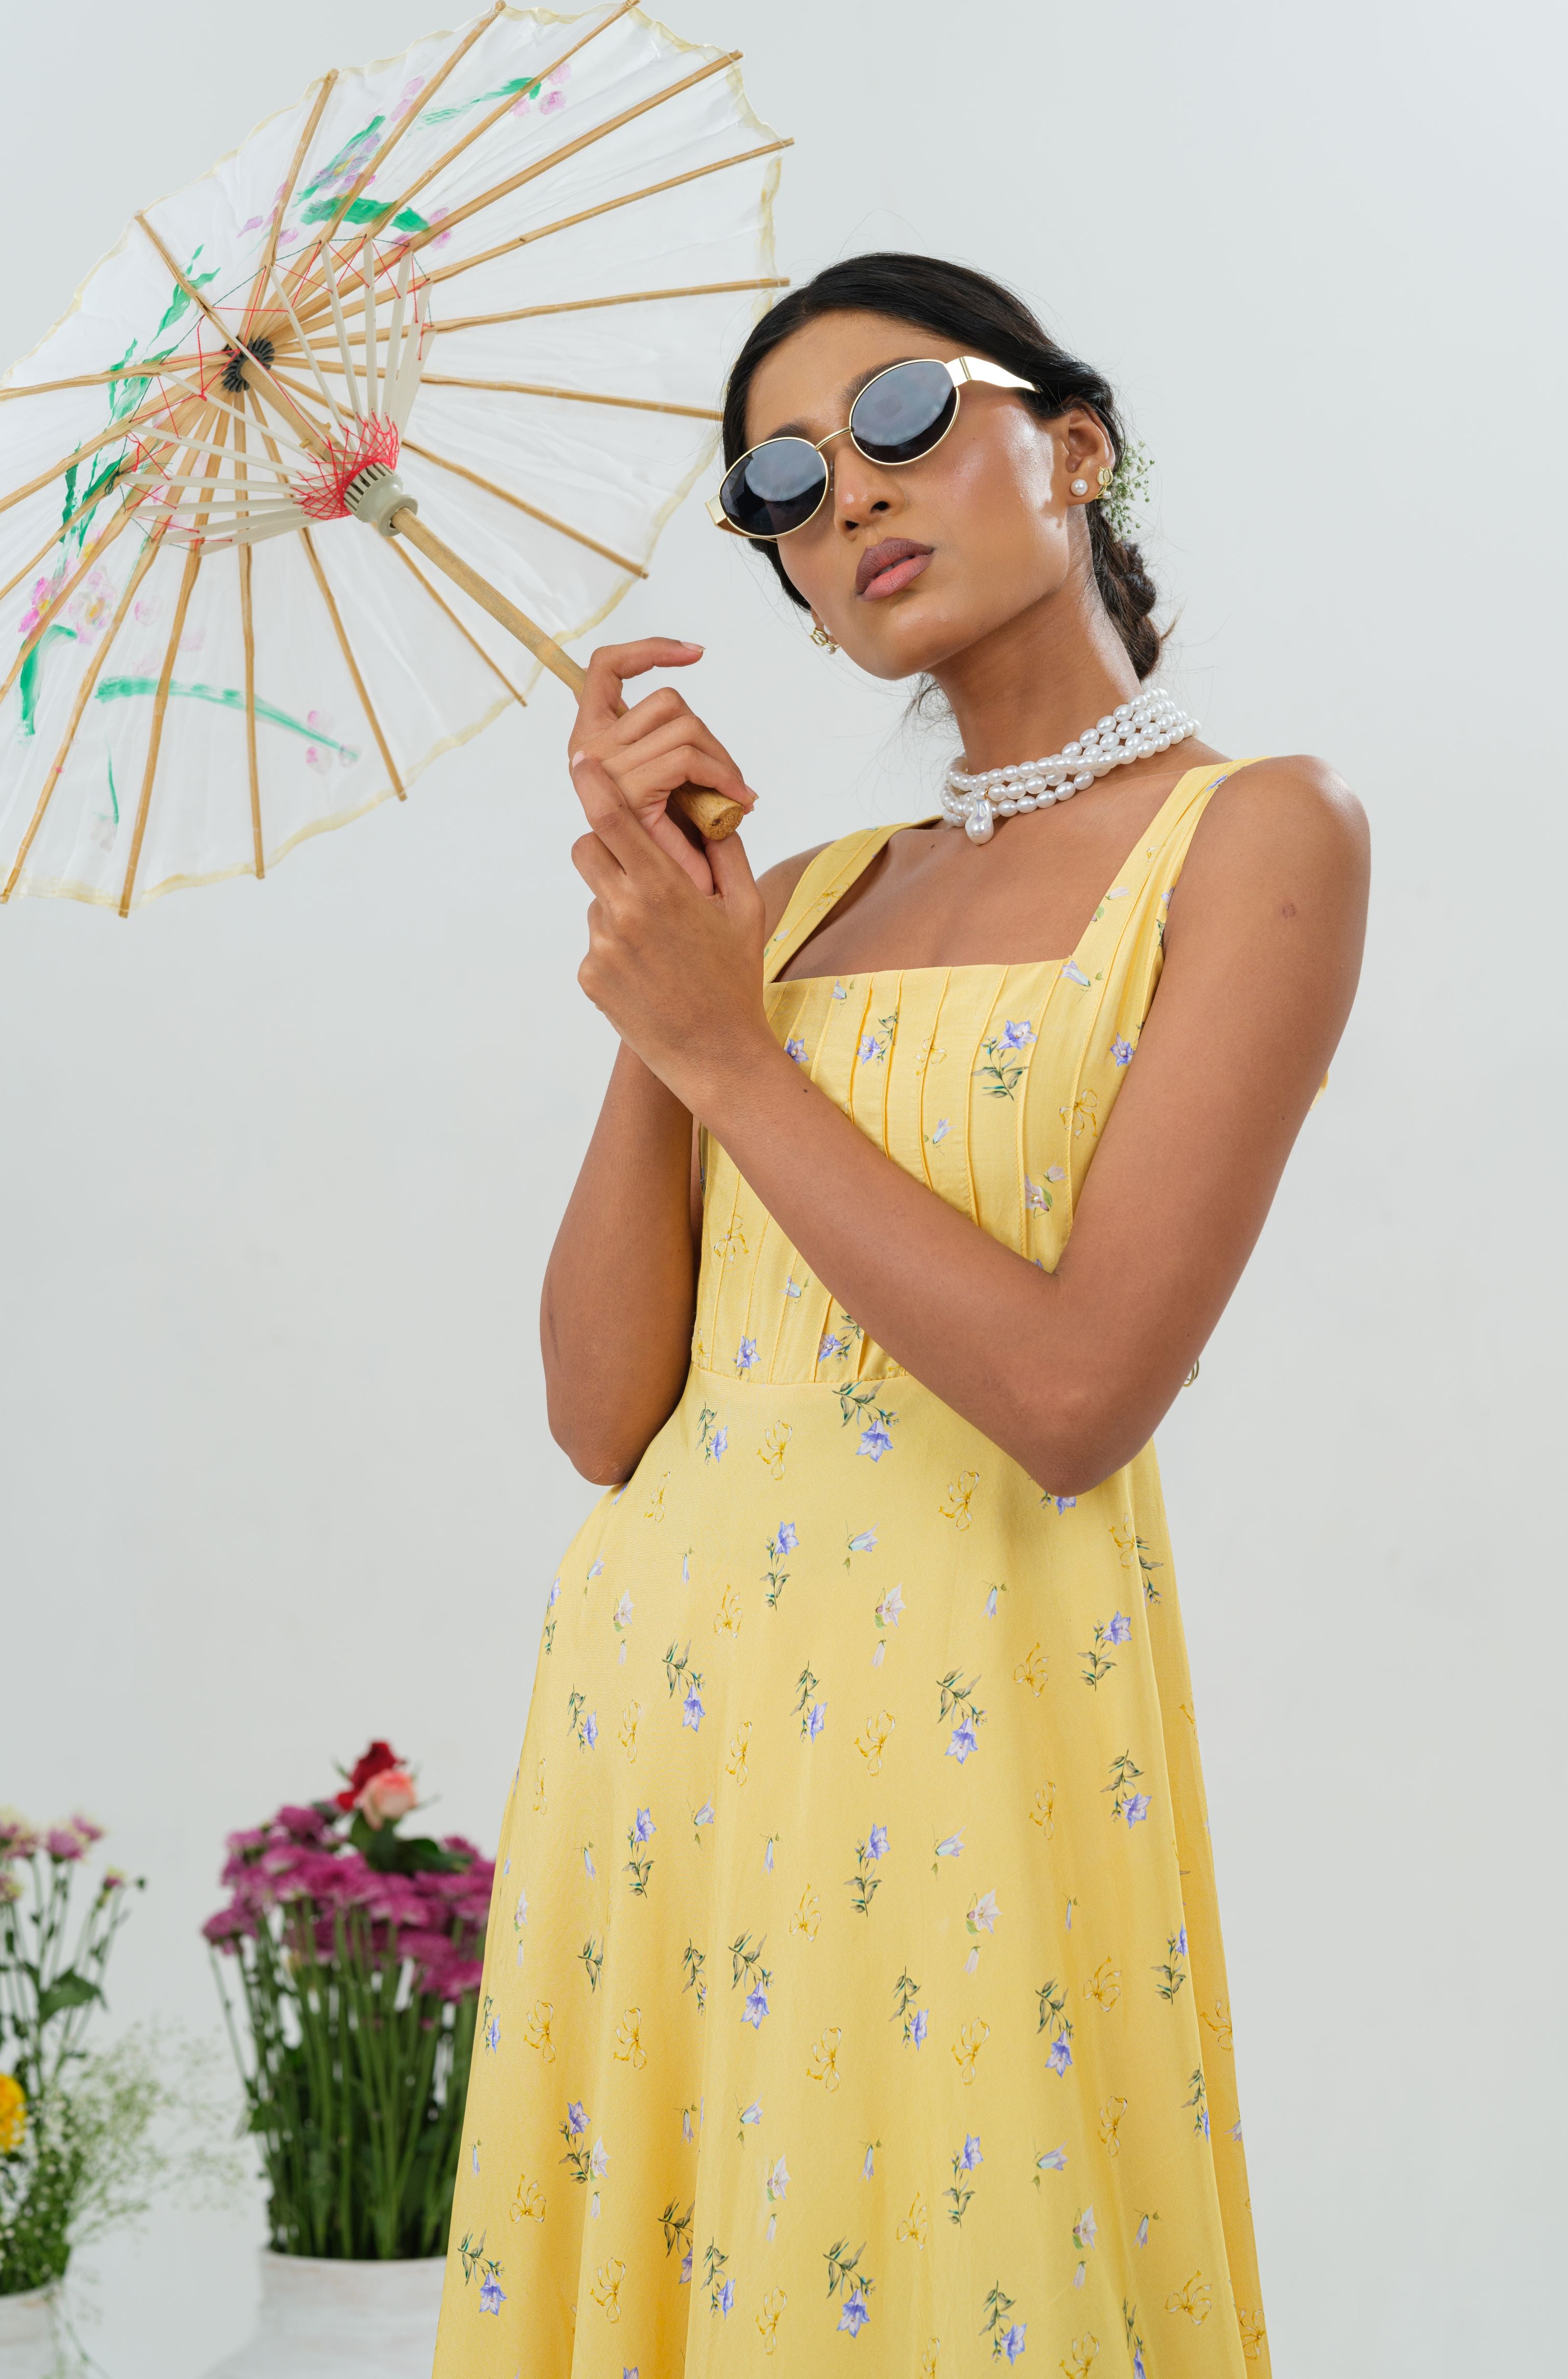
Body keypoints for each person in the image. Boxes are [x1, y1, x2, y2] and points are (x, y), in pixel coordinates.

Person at [432, 252, 1367, 2379]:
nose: (844, 489)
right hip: (663, 1725)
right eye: (778, 481)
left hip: (963, 1719)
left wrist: (730, 1055)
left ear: (1074, 443)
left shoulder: (1257, 835)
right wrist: (687, 959)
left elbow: (1075, 1389)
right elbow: (600, 1411)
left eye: (900, 418)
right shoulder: (805, 899)